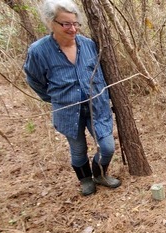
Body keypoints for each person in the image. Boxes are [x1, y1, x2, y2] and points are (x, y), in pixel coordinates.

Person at [24, 0, 121, 196]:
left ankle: (100, 175)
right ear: (52, 22)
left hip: (96, 107)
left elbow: (100, 73)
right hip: (67, 111)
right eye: (66, 24)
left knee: (107, 147)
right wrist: (53, 98)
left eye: (75, 23)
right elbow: (34, 79)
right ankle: (85, 180)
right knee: (78, 150)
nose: (73, 28)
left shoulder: (89, 45)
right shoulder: (38, 51)